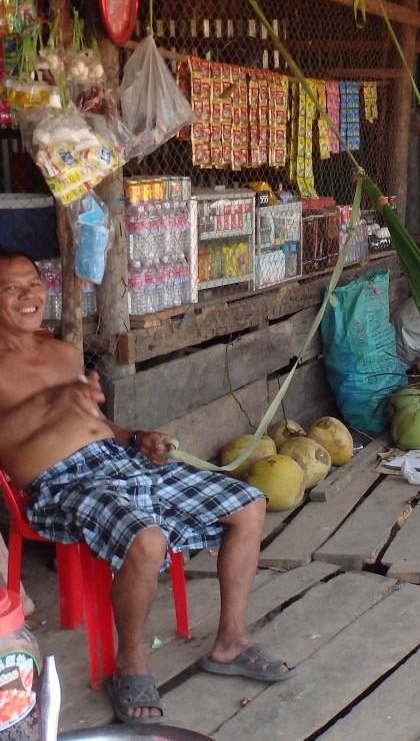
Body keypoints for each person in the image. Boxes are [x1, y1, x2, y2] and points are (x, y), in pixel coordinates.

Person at [0, 248, 294, 725]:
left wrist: (136, 437)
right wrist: (53, 402)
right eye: (11, 288)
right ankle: (130, 663)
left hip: (119, 461)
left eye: (33, 284)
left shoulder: (61, 352)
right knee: (147, 539)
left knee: (248, 503)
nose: (28, 296)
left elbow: (96, 422)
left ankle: (231, 641)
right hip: (62, 484)